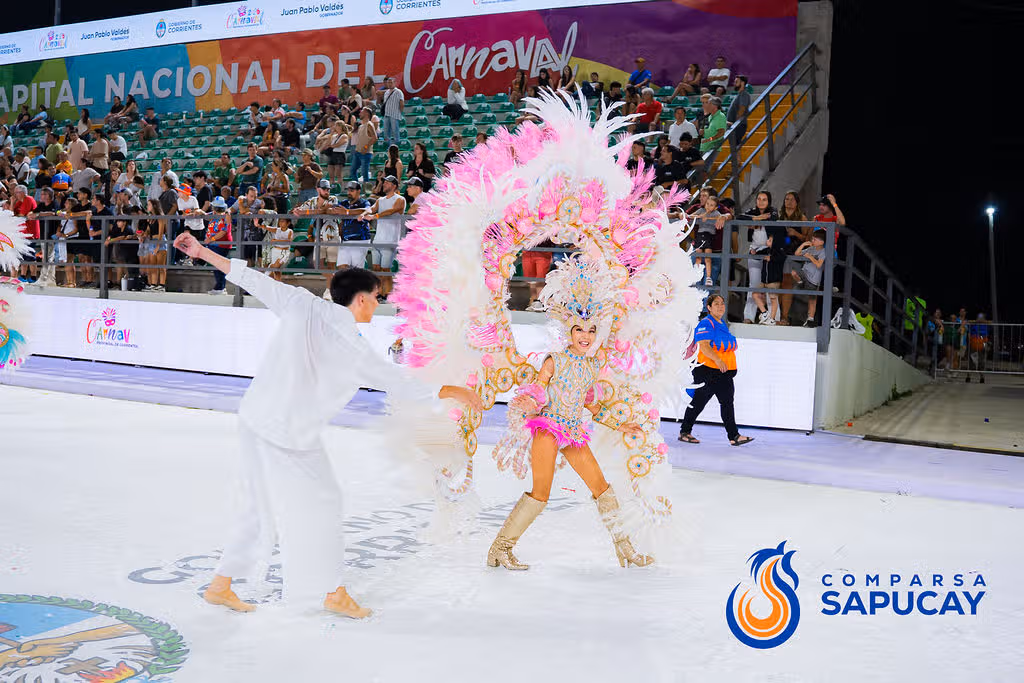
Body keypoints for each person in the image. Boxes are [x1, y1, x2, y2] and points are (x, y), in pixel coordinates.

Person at [170, 231, 481, 616]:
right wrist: (450, 390)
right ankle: (332, 590)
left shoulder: (301, 303)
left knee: (258, 502)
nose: (378, 304)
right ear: (362, 298)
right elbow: (394, 379)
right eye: (377, 297)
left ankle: (221, 584)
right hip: (286, 432)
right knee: (325, 502)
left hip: (257, 417)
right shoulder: (351, 342)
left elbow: (252, 279)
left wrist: (201, 251)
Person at [488, 255, 653, 570]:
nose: (586, 336)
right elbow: (538, 389)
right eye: (580, 329)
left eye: (591, 330)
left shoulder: (591, 366)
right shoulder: (554, 360)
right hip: (548, 428)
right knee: (541, 493)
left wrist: (623, 426)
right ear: (570, 329)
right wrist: (528, 401)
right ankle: (500, 549)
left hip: (574, 431)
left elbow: (592, 406)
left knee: (602, 488)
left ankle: (626, 551)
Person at [677, 294, 753, 446]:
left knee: (727, 403)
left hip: (723, 373)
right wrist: (718, 360)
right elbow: (704, 346)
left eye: (722, 304)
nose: (720, 306)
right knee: (699, 402)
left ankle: (734, 436)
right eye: (716, 304)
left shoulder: (721, 324)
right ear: (709, 308)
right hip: (708, 371)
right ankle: (685, 432)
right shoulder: (706, 323)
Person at [738, 191, 778, 324]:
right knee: (754, 285)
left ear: (769, 202)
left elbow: (771, 219)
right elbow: (739, 217)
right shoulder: (753, 211)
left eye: (764, 199)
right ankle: (748, 316)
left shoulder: (773, 211)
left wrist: (755, 220)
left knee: (770, 285)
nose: (761, 202)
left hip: (769, 253)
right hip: (754, 250)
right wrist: (757, 218)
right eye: (759, 199)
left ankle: (774, 317)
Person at [361, 175, 405, 285]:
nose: (384, 184)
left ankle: (387, 295)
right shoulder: (380, 200)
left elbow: (391, 211)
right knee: (376, 268)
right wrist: (364, 213)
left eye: (387, 182)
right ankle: (379, 293)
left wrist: (374, 216)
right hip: (378, 239)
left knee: (386, 270)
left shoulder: (400, 199)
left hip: (390, 239)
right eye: (384, 182)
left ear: (394, 186)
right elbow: (371, 208)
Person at [791, 228, 828, 327]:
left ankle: (810, 318)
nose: (812, 241)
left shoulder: (823, 252)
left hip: (814, 280)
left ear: (822, 242)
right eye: (812, 238)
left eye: (815, 239)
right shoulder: (810, 249)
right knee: (793, 270)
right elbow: (797, 254)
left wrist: (810, 257)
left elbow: (819, 265)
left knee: (812, 299)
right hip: (804, 274)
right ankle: (800, 282)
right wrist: (803, 245)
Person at [202, 195, 233, 294]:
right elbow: (206, 216)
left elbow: (223, 231)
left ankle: (220, 287)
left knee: (219, 265)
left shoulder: (225, 216)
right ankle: (219, 286)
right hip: (214, 244)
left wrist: (212, 239)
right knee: (216, 265)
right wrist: (199, 211)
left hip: (221, 244)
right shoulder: (213, 214)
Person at [691, 193, 722, 287]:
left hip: (709, 236)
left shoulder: (716, 213)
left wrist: (708, 217)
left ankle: (708, 278)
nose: (708, 206)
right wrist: (700, 216)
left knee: (708, 258)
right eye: (707, 204)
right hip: (700, 235)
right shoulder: (701, 210)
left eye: (711, 205)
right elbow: (691, 216)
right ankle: (695, 277)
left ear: (716, 207)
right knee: (698, 257)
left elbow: (720, 217)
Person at [726, 75, 750, 168]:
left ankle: (736, 168)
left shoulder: (744, 94)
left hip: (738, 126)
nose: (734, 83)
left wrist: (735, 123)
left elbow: (742, 108)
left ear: (742, 83)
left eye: (737, 82)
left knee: (735, 147)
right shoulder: (740, 94)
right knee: (735, 147)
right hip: (735, 126)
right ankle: (737, 166)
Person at [700, 96, 727, 173]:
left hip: (713, 146)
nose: (705, 105)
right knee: (701, 170)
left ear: (714, 106)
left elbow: (721, 132)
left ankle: (703, 185)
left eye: (708, 103)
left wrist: (709, 139)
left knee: (704, 171)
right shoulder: (711, 116)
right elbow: (712, 129)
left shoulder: (720, 116)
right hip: (705, 146)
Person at [349, 109, 376, 184]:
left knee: (365, 174)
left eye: (362, 112)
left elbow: (374, 138)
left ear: (367, 113)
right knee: (353, 171)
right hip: (358, 152)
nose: (360, 113)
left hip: (365, 153)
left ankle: (366, 190)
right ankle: (356, 188)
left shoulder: (369, 124)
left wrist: (366, 147)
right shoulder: (361, 126)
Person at [380, 76, 405, 149]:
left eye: (391, 82)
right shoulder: (386, 92)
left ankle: (396, 147)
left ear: (395, 83)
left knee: (395, 132)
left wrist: (399, 112)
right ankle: (388, 146)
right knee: (386, 132)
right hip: (387, 114)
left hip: (394, 114)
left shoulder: (398, 92)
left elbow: (401, 103)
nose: (390, 84)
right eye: (388, 83)